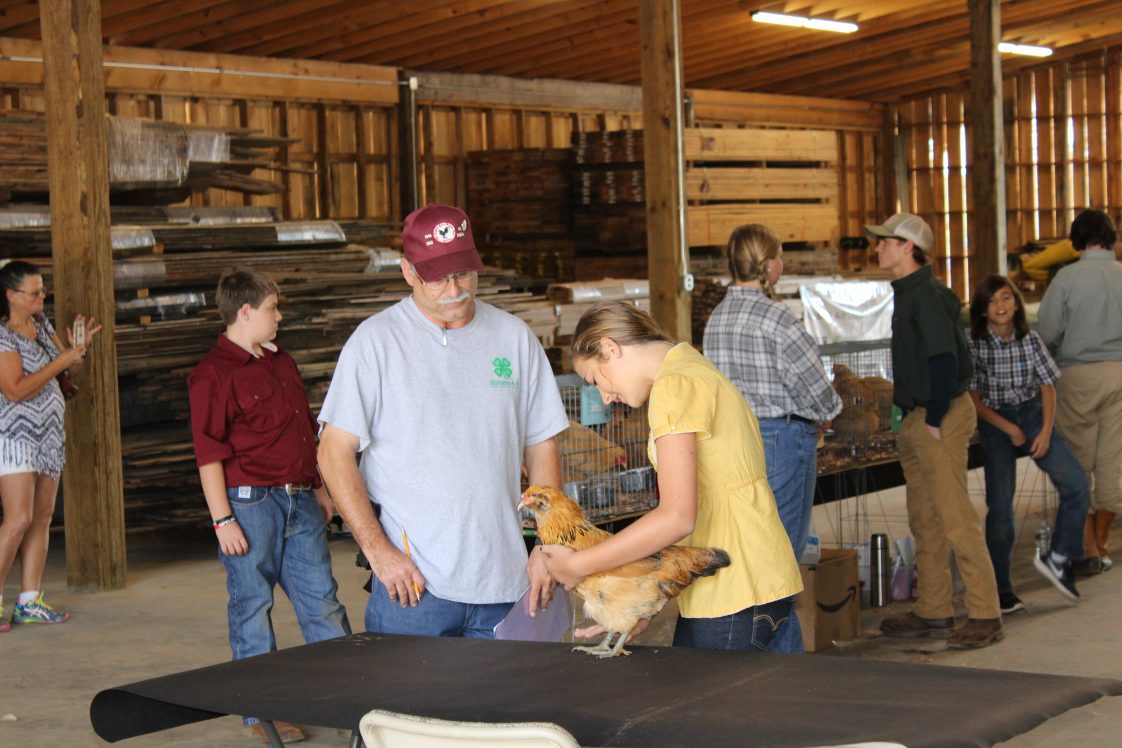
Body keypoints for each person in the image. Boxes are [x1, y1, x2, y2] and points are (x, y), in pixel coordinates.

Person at [316, 204, 568, 639]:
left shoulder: (513, 337)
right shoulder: (376, 343)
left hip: (505, 580)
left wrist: (547, 545)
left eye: (463, 274)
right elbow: (332, 451)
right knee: (409, 709)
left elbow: (542, 443)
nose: (454, 289)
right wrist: (378, 552)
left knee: (505, 708)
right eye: (437, 278)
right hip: (413, 589)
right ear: (407, 271)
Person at [541, 301, 803, 652]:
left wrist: (577, 565)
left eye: (596, 380)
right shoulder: (692, 368)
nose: (604, 397)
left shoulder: (675, 387)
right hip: (752, 576)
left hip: (735, 589)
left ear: (609, 348)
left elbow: (677, 516)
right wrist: (645, 601)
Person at [188, 268, 350, 744]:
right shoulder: (213, 374)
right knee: (253, 608)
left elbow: (305, 431)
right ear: (245, 312)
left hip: (298, 498)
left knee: (323, 602)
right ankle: (261, 712)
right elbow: (208, 452)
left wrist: (320, 488)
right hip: (250, 503)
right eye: (272, 308)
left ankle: (353, 699)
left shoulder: (281, 362)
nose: (278, 316)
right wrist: (222, 520)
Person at [866, 213, 1003, 649]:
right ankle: (935, 609)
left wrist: (936, 415)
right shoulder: (909, 294)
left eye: (886, 242)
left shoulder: (926, 295)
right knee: (925, 518)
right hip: (919, 415)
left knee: (955, 516)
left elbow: (943, 360)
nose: (878, 248)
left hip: (938, 416)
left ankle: (985, 613)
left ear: (908, 247)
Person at [702, 223, 841, 653]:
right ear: (768, 266)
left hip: (732, 442)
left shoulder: (716, 319)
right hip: (783, 437)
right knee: (781, 557)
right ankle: (782, 659)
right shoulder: (778, 318)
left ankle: (756, 655)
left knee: (750, 549)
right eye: (780, 256)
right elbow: (816, 389)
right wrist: (826, 415)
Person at [967, 274, 1089, 611]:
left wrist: (1046, 430)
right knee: (1002, 507)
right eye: (992, 301)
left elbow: (1048, 386)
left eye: (1006, 297)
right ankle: (1001, 589)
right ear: (982, 310)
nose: (1000, 306)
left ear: (1016, 302)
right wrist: (1010, 429)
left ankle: (1060, 556)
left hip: (1032, 412)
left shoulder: (1030, 339)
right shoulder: (975, 345)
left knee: (1077, 484)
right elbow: (975, 400)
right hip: (995, 420)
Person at [0, 259, 100, 631]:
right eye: (34, 292)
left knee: (42, 517)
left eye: (43, 290)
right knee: (18, 520)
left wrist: (78, 352)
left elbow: (68, 372)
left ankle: (30, 599)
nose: (42, 296)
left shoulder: (42, 326)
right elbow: (14, 390)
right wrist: (61, 360)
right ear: (11, 295)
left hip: (48, 434)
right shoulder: (3, 336)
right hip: (15, 436)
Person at [1036, 208, 1122, 573]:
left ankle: (1087, 548)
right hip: (1120, 373)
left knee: (1079, 462)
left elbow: (1048, 332)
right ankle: (1102, 544)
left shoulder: (1066, 279)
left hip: (1078, 377)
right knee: (1112, 463)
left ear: (1077, 238)